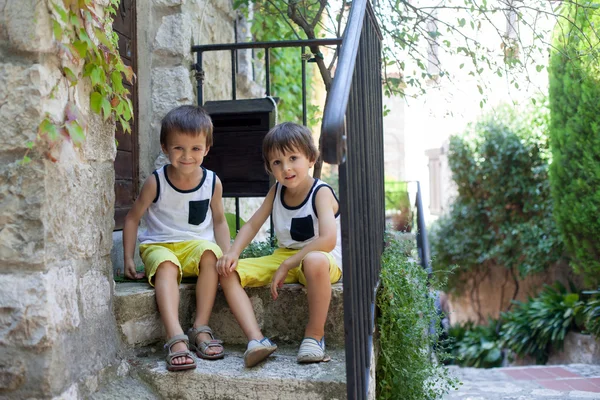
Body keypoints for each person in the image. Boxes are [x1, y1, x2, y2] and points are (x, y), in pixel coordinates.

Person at [216, 122, 343, 367]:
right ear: (270, 167)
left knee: (313, 260)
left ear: (311, 158)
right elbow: (252, 225)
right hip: (286, 256)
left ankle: (314, 337)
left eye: (293, 158)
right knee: (227, 271)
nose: (286, 168)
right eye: (277, 162)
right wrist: (232, 252)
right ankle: (256, 340)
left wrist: (289, 263)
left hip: (322, 259)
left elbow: (327, 240)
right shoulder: (276, 192)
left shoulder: (321, 192)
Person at [123, 105, 230, 372]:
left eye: (195, 148)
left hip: (195, 246)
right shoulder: (155, 182)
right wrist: (128, 257)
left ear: (207, 148)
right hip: (159, 245)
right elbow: (132, 217)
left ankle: (200, 329)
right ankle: (175, 337)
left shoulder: (212, 182)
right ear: (164, 147)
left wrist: (226, 253)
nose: (187, 155)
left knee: (210, 253)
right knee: (166, 265)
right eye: (179, 148)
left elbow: (218, 219)